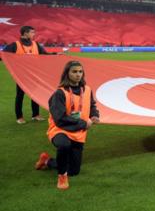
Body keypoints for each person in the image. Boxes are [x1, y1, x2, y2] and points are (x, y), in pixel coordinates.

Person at [34, 60, 99, 190]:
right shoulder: (59, 93)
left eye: (80, 72)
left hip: (78, 132)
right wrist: (83, 123)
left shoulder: (87, 89)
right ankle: (62, 176)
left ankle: (46, 161)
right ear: (67, 73)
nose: (78, 74)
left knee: (74, 171)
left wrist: (95, 115)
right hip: (60, 129)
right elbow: (60, 118)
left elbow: (91, 105)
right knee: (64, 145)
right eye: (74, 72)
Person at [3, 25, 57, 124]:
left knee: (35, 94)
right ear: (25, 33)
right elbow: (3, 55)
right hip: (21, 76)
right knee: (20, 96)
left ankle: (35, 115)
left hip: (34, 75)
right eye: (32, 32)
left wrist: (55, 55)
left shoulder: (35, 44)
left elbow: (44, 55)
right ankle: (19, 117)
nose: (34, 34)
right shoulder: (14, 45)